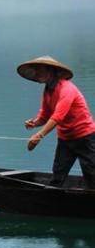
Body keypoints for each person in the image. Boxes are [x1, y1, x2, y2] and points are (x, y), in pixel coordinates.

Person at [18, 54, 95, 188]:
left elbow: (57, 117)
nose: (37, 73)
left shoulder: (67, 89)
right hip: (65, 139)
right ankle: (54, 202)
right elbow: (45, 115)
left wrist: (38, 136)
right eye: (36, 70)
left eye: (40, 70)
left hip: (85, 137)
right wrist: (35, 123)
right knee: (58, 174)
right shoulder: (48, 90)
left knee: (91, 173)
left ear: (51, 70)